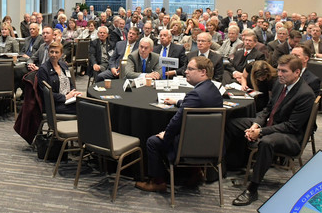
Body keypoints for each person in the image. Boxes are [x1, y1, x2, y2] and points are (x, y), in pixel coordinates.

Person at [227, 55, 315, 206]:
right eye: (279, 70)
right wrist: (256, 125)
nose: (279, 74)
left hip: (291, 137)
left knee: (267, 142)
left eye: (284, 71)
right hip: (273, 125)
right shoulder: (280, 84)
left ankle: (252, 189)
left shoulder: (305, 94)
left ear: (297, 72)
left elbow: (291, 126)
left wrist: (260, 132)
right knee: (232, 124)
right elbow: (268, 109)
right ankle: (232, 164)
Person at [135, 56, 223, 192]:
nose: (185, 72)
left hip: (189, 147)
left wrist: (166, 136)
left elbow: (175, 122)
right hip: (210, 145)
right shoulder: (214, 91)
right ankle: (196, 173)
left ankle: (158, 182)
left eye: (190, 69)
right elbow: (199, 106)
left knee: (153, 141)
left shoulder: (195, 95)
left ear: (203, 72)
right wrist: (177, 102)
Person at [37, 42, 82, 115]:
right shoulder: (43, 69)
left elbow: (70, 83)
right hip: (54, 104)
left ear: (61, 54)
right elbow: (45, 93)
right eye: (51, 52)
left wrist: (73, 92)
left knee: (86, 103)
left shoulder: (64, 65)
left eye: (56, 52)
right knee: (83, 108)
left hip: (68, 99)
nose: (54, 54)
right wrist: (65, 97)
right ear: (48, 53)